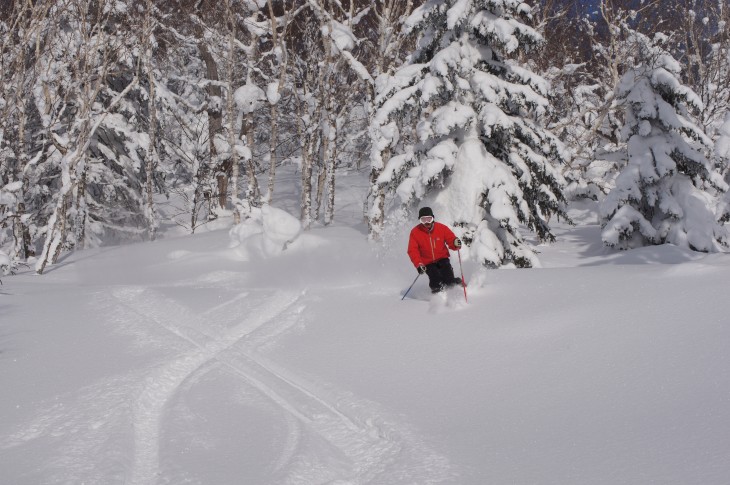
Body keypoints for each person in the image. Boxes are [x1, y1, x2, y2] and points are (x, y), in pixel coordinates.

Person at [407, 207, 463, 293]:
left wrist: (455, 243)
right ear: (420, 220)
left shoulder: (442, 228)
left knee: (449, 280)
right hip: (428, 263)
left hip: (442, 258)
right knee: (435, 282)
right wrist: (419, 264)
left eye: (429, 219)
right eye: (423, 220)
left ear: (433, 218)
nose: (427, 222)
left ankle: (455, 285)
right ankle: (438, 296)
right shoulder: (415, 232)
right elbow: (412, 250)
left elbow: (451, 239)